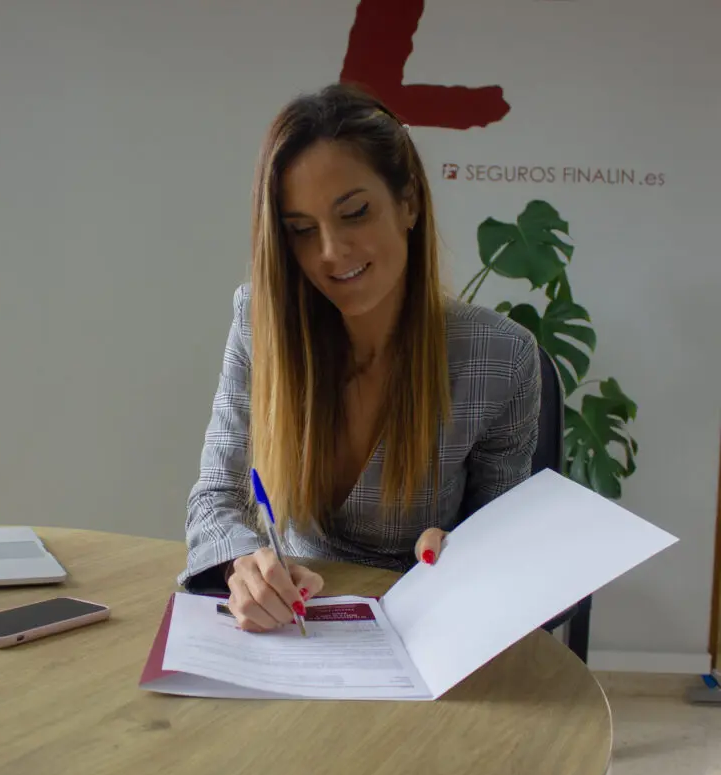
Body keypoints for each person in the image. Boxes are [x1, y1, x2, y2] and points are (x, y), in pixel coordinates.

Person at [180, 83, 540, 633]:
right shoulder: (261, 321)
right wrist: (244, 566)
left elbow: (505, 547)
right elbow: (216, 496)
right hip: (294, 630)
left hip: (422, 633)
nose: (330, 252)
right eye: (301, 231)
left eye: (355, 213)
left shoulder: (499, 356)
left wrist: (465, 553)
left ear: (409, 201)